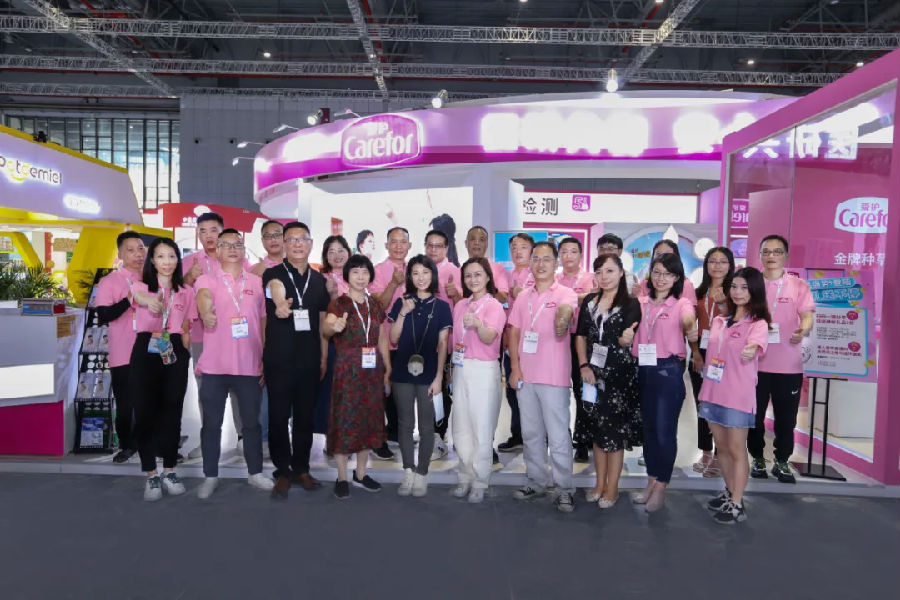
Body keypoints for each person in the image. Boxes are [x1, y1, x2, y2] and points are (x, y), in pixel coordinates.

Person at [194, 229, 273, 499]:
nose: (232, 249)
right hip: (214, 367)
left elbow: (263, 320)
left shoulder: (257, 282)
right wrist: (206, 312)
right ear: (217, 251)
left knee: (251, 424)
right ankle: (210, 476)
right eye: (225, 244)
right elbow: (203, 297)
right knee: (211, 425)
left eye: (237, 244)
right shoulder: (207, 279)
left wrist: (264, 356)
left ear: (243, 249)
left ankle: (255, 473)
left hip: (249, 366)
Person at [507, 241, 578, 513]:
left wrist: (562, 320)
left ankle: (564, 488)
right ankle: (536, 481)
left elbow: (566, 312)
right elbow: (514, 332)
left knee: (558, 436)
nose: (540, 264)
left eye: (546, 259)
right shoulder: (523, 296)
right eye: (536, 258)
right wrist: (515, 367)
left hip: (554, 377)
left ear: (556, 264)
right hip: (526, 376)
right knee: (531, 433)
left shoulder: (566, 294)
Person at [624, 252, 698, 513]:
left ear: (677, 278)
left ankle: (661, 486)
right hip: (643, 370)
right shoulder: (641, 302)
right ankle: (651, 480)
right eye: (656, 272)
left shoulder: (681, 304)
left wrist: (690, 327)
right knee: (649, 431)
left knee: (664, 431)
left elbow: (688, 319)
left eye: (668, 274)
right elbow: (628, 324)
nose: (661, 278)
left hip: (668, 371)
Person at [263, 222, 330, 499]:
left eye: (302, 239)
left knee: (305, 417)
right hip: (279, 359)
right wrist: (280, 303)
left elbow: (322, 320)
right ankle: (282, 471)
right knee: (278, 417)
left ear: (311, 244)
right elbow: (275, 288)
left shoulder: (319, 281)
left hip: (309, 359)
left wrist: (323, 356)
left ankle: (301, 468)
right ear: (284, 244)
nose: (297, 244)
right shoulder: (273, 273)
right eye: (291, 239)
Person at [701, 267, 771, 524]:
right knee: (721, 448)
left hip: (737, 396)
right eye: (734, 287)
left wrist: (752, 348)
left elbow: (757, 345)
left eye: (744, 287)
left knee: (736, 449)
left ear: (755, 291)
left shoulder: (758, 324)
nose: (738, 292)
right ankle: (730, 493)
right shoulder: (720, 320)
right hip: (712, 391)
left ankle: (738, 504)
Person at [129, 237, 195, 501]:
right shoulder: (141, 285)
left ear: (178, 259)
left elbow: (188, 325)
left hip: (174, 348)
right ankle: (151, 474)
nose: (167, 262)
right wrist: (149, 301)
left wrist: (185, 353)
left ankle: (169, 469)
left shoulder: (186, 291)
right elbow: (138, 295)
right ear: (152, 261)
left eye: (171, 256)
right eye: (160, 256)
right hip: (146, 348)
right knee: (144, 411)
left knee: (172, 410)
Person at [575, 253, 642, 509]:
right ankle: (598, 484)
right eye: (599, 271)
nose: (604, 276)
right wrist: (583, 365)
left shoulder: (631, 303)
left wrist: (627, 339)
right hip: (591, 374)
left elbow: (628, 339)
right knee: (596, 431)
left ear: (621, 273)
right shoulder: (589, 301)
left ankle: (612, 488)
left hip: (619, 378)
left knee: (614, 435)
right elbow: (581, 335)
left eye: (610, 271)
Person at [322, 255, 391, 499]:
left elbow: (382, 338)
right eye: (355, 272)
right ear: (347, 276)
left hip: (372, 372)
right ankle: (342, 476)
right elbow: (327, 327)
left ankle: (361, 474)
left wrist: (387, 368)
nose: (360, 277)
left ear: (370, 276)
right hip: (347, 371)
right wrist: (333, 327)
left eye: (364, 272)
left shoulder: (375, 305)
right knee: (344, 421)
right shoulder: (339, 304)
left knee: (368, 421)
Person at [747, 235, 815, 484]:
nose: (771, 256)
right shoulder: (752, 284)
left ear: (785, 255)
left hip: (788, 365)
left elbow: (807, 315)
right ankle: (757, 458)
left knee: (786, 419)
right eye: (766, 251)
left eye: (777, 251)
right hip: (753, 364)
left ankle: (782, 461)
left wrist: (803, 330)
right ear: (760, 256)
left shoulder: (798, 285)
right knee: (753, 418)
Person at [183, 212, 249, 459]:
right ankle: (209, 440)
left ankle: (243, 436)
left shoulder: (239, 259)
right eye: (203, 231)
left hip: (235, 335)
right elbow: (179, 293)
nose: (208, 236)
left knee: (239, 387)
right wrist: (190, 276)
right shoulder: (190, 261)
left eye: (213, 230)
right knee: (207, 390)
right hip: (203, 336)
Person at [387, 255, 452, 497]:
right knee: (405, 424)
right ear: (410, 277)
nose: (421, 278)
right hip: (402, 373)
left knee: (427, 426)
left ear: (432, 275)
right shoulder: (401, 302)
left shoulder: (442, 307)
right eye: (415, 273)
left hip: (429, 374)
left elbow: (443, 344)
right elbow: (393, 338)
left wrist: (439, 377)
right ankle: (408, 471)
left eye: (425, 272)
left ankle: (422, 473)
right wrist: (403, 313)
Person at [450, 257, 507, 503]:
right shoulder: (460, 305)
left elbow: (489, 337)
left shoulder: (494, 306)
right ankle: (465, 475)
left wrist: (478, 324)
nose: (473, 280)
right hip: (461, 367)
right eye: (468, 276)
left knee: (482, 426)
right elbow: (455, 342)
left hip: (483, 370)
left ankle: (481, 480)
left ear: (487, 277)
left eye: (478, 275)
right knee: (461, 425)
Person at [95, 231, 146, 463]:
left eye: (141, 248)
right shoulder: (110, 281)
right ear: (120, 254)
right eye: (131, 250)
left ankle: (152, 443)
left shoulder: (154, 278)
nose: (137, 254)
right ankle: (127, 445)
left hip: (153, 350)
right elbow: (104, 315)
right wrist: (129, 299)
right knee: (126, 404)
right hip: (124, 353)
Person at [688, 247, 735, 478]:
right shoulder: (698, 292)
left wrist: (724, 303)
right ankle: (705, 452)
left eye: (722, 261)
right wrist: (695, 353)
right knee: (702, 405)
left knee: (719, 405)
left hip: (724, 353)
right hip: (700, 351)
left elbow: (738, 324)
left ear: (730, 265)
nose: (717, 266)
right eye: (712, 261)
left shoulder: (736, 292)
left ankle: (719, 454)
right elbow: (691, 326)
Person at [368, 226, 412, 460]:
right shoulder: (377, 271)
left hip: (409, 344)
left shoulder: (416, 270)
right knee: (382, 392)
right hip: (384, 342)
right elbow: (379, 306)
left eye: (402, 242)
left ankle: (395, 432)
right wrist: (394, 284)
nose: (398, 246)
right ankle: (378, 440)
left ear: (409, 246)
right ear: (386, 245)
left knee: (403, 392)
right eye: (393, 241)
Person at [556, 237, 598, 464]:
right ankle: (562, 438)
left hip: (583, 341)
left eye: (573, 251)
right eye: (564, 251)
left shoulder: (590, 278)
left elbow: (594, 299)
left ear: (581, 255)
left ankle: (583, 440)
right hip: (558, 341)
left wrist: (574, 297)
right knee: (559, 391)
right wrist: (580, 297)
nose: (568, 256)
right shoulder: (554, 279)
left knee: (583, 391)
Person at [424, 229, 462, 457]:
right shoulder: (420, 269)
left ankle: (439, 434)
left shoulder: (455, 272)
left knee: (441, 390)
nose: (433, 249)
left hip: (445, 343)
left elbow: (465, 306)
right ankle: (428, 432)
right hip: (422, 343)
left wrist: (454, 294)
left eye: (438, 245)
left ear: (447, 248)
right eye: (430, 245)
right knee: (424, 390)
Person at [498, 232, 535, 454]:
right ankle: (518, 435)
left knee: (532, 392)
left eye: (522, 247)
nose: (517, 251)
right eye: (513, 247)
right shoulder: (508, 275)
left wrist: (525, 293)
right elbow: (504, 306)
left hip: (532, 344)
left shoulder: (538, 274)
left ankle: (536, 437)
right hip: (511, 339)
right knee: (513, 391)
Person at [249, 219, 284, 454]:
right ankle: (262, 440)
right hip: (265, 336)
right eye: (268, 236)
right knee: (265, 390)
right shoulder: (255, 272)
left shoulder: (297, 267)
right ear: (262, 241)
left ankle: (284, 437)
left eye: (277, 234)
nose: (273, 239)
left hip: (293, 339)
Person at [315, 235, 353, 439]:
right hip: (332, 344)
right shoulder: (321, 280)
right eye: (331, 251)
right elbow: (323, 316)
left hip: (355, 345)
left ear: (348, 252)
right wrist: (332, 295)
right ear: (325, 256)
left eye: (341, 250)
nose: (337, 255)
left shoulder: (357, 276)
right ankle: (332, 438)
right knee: (332, 391)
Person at [637, 239, 698, 305]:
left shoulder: (686, 285)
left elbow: (690, 309)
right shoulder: (644, 283)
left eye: (667, 254)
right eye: (658, 254)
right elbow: (637, 308)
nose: (663, 257)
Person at [464, 225, 509, 304]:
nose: (477, 243)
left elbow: (503, 298)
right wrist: (455, 294)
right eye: (472, 239)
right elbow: (460, 301)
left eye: (481, 240)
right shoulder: (459, 271)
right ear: (466, 243)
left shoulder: (498, 268)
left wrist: (489, 286)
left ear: (487, 244)